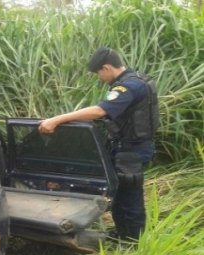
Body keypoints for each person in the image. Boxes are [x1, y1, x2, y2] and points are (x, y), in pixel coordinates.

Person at [38, 47, 159, 241]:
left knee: (129, 197)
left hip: (131, 150)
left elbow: (99, 111)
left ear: (107, 67)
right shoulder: (138, 79)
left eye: (98, 73)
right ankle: (123, 233)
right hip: (131, 147)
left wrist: (56, 120)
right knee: (120, 194)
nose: (99, 78)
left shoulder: (127, 87)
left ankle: (133, 242)